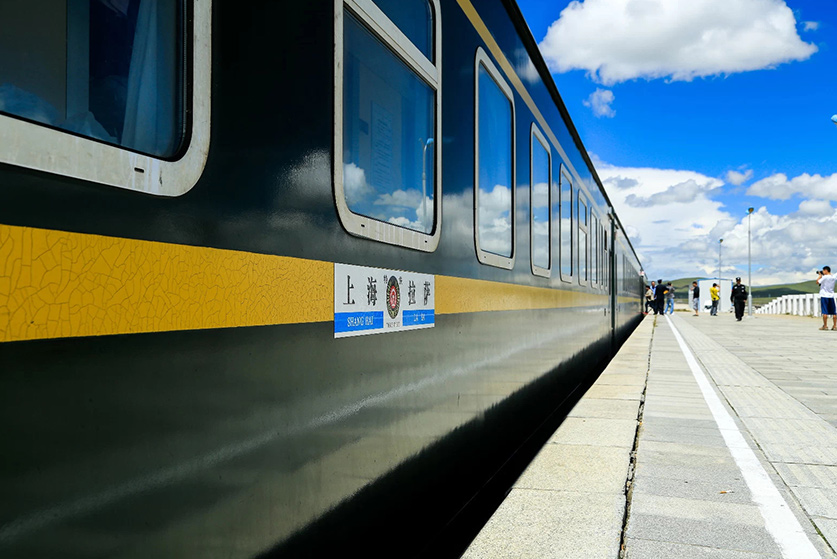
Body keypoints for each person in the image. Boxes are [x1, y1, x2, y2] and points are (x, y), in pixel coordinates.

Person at [817, 266, 837, 331]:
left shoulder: (825, 277)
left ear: (826, 270)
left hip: (824, 295)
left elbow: (818, 282)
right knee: (834, 312)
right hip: (831, 295)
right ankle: (834, 326)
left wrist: (820, 276)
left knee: (825, 311)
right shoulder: (833, 277)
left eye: (823, 271)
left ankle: (825, 326)